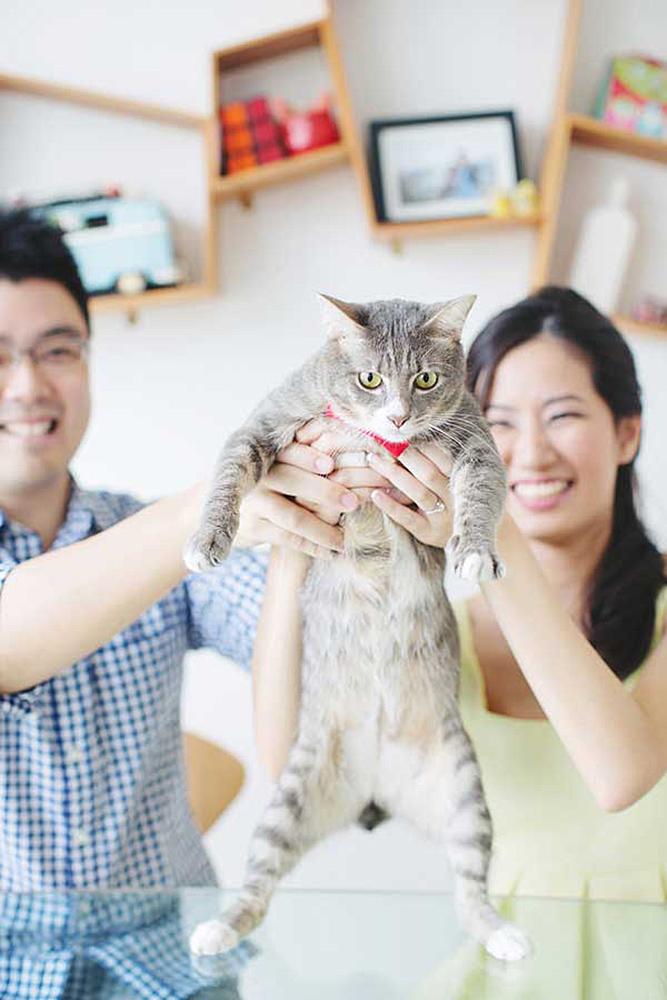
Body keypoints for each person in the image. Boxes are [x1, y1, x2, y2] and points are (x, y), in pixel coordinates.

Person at [252, 285, 667, 901]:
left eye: (563, 416)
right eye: (496, 422)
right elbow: (294, 763)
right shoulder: (451, 627)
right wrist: (295, 549)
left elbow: (620, 777)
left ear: (627, 434)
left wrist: (490, 535)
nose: (528, 453)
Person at [0, 207, 372, 893]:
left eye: (58, 350)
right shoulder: (170, 532)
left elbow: (316, 658)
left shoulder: (153, 537)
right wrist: (217, 500)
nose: (27, 386)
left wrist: (317, 516)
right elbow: (10, 639)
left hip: (171, 970)